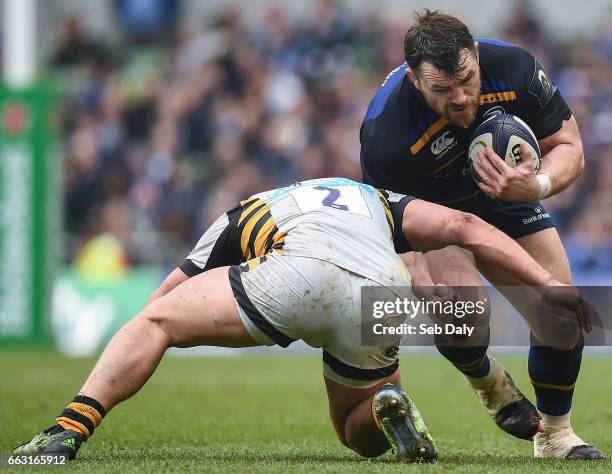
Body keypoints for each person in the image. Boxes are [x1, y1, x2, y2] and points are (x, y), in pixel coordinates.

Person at [14, 178, 589, 463]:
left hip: (299, 273)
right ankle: (393, 407)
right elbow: (466, 228)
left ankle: (67, 429)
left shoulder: (243, 213)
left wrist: (154, 332)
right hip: (381, 285)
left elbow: (161, 303)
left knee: (156, 323)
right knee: (355, 430)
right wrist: (549, 287)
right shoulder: (373, 198)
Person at [359, 10, 603, 459]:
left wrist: (537, 185)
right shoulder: (385, 135)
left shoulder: (515, 68)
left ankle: (554, 435)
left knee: (561, 310)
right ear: (415, 81)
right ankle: (485, 379)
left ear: (474, 55)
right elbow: (394, 224)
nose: (460, 97)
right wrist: (418, 273)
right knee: (460, 309)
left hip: (505, 192)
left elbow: (569, 146)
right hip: (431, 211)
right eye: (442, 90)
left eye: (467, 80)